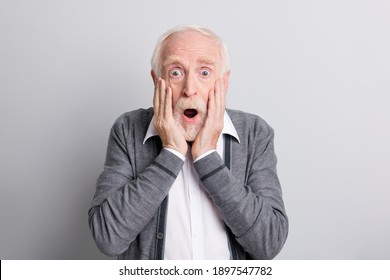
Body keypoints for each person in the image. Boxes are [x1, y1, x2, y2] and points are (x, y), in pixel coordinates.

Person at [88, 25, 288, 260]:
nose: (189, 89)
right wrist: (171, 153)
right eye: (176, 72)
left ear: (223, 82)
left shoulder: (255, 133)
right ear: (156, 80)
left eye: (204, 72)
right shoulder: (128, 129)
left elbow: (269, 242)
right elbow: (107, 237)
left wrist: (206, 158)